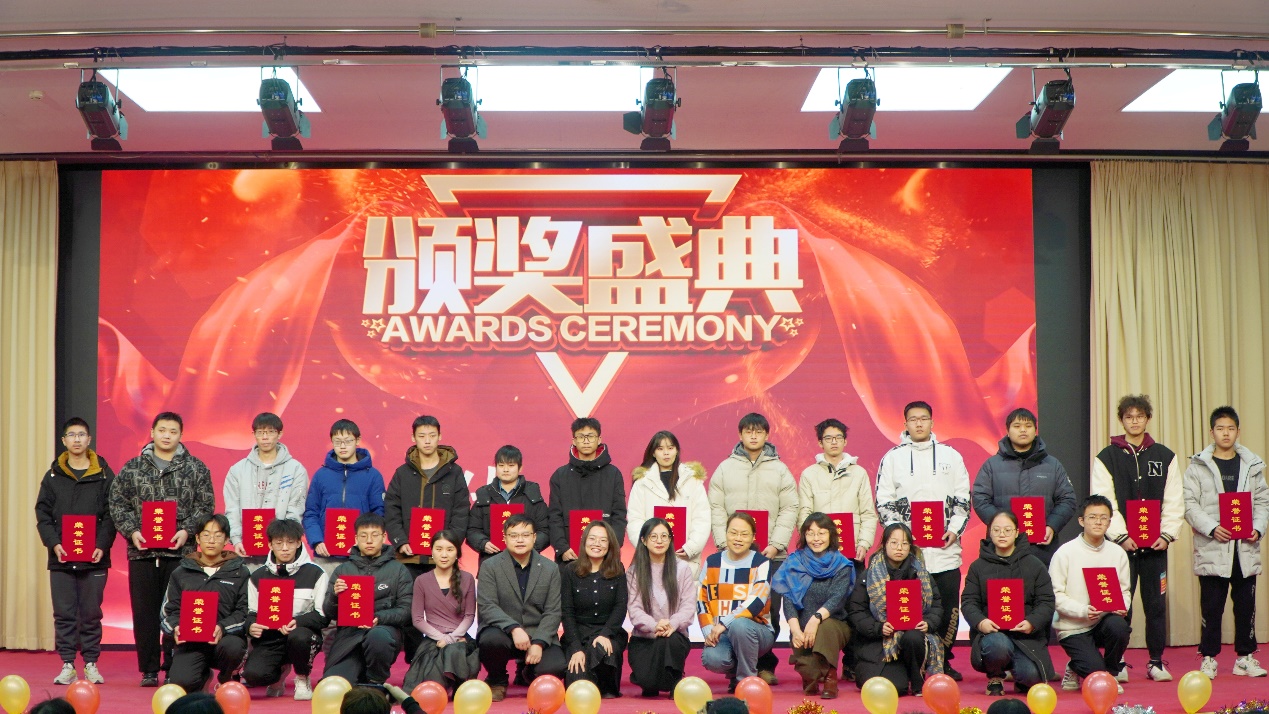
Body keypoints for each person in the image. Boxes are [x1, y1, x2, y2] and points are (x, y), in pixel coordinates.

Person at [108, 411, 216, 687]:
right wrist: (132, 532)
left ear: (181, 435)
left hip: (181, 554)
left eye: (173, 431)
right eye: (162, 430)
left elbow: (205, 506)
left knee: (177, 612)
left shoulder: (195, 468)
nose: (167, 436)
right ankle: (148, 669)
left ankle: (173, 666)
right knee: (144, 613)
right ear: (152, 432)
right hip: (142, 553)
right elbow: (117, 504)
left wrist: (187, 530)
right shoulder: (133, 468)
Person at [1089, 394, 1183, 683]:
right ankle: (1117, 662)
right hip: (1120, 548)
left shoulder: (1165, 456)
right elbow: (1105, 501)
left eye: (1139, 416)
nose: (1134, 421)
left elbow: (1174, 499)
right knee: (1120, 606)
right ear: (1121, 420)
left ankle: (1156, 662)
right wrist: (1120, 535)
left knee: (1156, 605)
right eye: (1129, 417)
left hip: (1156, 547)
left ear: (1147, 419)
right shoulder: (1107, 457)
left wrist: (1167, 534)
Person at [875, 401, 971, 681]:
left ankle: (944, 660)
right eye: (913, 419)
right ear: (904, 424)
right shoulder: (892, 458)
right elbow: (884, 500)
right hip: (908, 553)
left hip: (945, 549)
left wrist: (954, 530)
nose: (919, 423)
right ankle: (912, 661)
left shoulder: (951, 455)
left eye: (924, 418)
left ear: (932, 422)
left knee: (947, 607)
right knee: (910, 608)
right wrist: (901, 536)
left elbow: (963, 497)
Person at [708, 413, 799, 684]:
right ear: (740, 435)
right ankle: (733, 663)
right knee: (732, 606)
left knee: (768, 611)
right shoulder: (725, 468)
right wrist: (724, 544)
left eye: (759, 431)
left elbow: (790, 507)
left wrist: (776, 544)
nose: (754, 436)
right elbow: (716, 507)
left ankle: (765, 666)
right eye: (748, 431)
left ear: (767, 435)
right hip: (733, 555)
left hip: (770, 555)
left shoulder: (780, 469)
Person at [1183, 405, 1268, 679]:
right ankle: (1209, 658)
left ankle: (1245, 658)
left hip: (1245, 549)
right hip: (1213, 548)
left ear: (1238, 432)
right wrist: (1211, 528)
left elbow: (1262, 502)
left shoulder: (1252, 465)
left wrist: (1258, 528)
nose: (1226, 433)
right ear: (1212, 432)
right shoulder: (1198, 466)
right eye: (1220, 428)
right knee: (1211, 608)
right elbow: (1189, 505)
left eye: (1231, 428)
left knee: (1245, 607)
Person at [35, 417, 116, 685]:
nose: (77, 439)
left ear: (89, 439)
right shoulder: (53, 476)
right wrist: (54, 543)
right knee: (64, 614)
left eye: (82, 435)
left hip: (94, 558)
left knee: (91, 614)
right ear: (64, 441)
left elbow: (112, 514)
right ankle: (67, 664)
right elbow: (42, 513)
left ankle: (91, 663)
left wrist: (102, 545)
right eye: (72, 435)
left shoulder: (104, 474)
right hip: (61, 558)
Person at [384, 415, 470, 661]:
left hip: (442, 559)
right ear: (413, 438)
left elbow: (461, 511)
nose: (427, 441)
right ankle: (415, 660)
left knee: (446, 610)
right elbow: (391, 509)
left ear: (440, 436)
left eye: (432, 435)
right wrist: (401, 541)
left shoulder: (454, 473)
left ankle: (444, 659)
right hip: (409, 558)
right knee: (411, 610)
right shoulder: (402, 473)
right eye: (422, 436)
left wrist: (449, 546)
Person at [960, 511, 1056, 696]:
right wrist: (981, 622)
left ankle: (1020, 675)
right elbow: (969, 601)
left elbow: (1046, 601)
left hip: (1026, 637)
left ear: (1017, 532)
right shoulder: (978, 567)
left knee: (1031, 677)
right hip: (993, 634)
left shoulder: (1034, 565)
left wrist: (1032, 622)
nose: (1002, 534)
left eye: (1007, 530)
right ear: (989, 532)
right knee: (998, 645)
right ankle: (995, 676)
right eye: (996, 530)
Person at [476, 513, 568, 702]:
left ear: (534, 537)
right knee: (490, 641)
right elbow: (487, 605)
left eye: (525, 535)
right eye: (514, 535)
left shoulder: (550, 568)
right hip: (503, 633)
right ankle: (497, 680)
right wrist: (514, 628)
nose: (520, 540)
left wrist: (539, 642)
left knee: (555, 668)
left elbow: (553, 611)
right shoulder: (489, 566)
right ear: (504, 538)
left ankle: (529, 672)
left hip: (537, 632)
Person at [847, 523, 944, 697]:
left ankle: (917, 678)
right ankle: (900, 673)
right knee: (893, 689)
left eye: (905, 543)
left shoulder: (921, 573)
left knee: (914, 636)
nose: (899, 548)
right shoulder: (870, 575)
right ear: (884, 544)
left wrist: (928, 623)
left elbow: (936, 605)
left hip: (913, 638)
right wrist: (878, 627)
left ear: (910, 547)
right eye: (894, 543)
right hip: (878, 642)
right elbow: (857, 611)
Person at [972, 408, 1077, 565]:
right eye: (1017, 426)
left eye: (1028, 426)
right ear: (1007, 431)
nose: (1023, 430)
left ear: (1035, 430)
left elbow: (1067, 500)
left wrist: (1051, 526)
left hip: (1042, 547)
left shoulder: (1052, 465)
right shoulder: (991, 465)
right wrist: (1002, 527)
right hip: (1002, 546)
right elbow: (980, 499)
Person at [241, 518, 330, 701]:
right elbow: (251, 613)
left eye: (290, 542)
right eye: (279, 543)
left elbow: (322, 615)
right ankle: (279, 673)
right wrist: (251, 626)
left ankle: (302, 677)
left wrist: (298, 622)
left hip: (302, 635)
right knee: (253, 675)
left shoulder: (316, 573)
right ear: (270, 544)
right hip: (270, 638)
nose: (284, 548)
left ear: (298, 543)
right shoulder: (258, 576)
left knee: (299, 637)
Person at [160, 514, 250, 694]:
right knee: (182, 683)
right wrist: (176, 628)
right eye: (206, 535)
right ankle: (203, 676)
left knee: (233, 647)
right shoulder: (181, 572)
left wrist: (222, 627)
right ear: (198, 538)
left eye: (218, 535)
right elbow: (168, 611)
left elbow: (244, 611)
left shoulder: (240, 572)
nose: (211, 540)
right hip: (191, 642)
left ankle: (226, 678)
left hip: (224, 640)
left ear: (226, 540)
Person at [1050, 495, 1131, 693]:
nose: (1098, 522)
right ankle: (1077, 664)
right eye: (1092, 517)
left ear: (1109, 522)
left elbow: (1124, 590)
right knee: (1093, 668)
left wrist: (1122, 606)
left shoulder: (1117, 553)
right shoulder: (1065, 553)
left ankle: (1110, 674)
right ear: (1081, 521)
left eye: (1103, 518)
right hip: (1073, 626)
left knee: (1119, 627)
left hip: (1103, 622)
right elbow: (1055, 595)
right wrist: (1083, 610)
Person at [322, 514, 414, 686]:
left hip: (384, 631)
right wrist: (335, 596)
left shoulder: (399, 570)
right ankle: (357, 674)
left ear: (384, 537)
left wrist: (379, 618)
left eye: (374, 535)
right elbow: (329, 613)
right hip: (350, 635)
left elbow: (406, 610)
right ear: (356, 539)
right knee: (335, 684)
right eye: (363, 536)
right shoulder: (343, 570)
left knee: (377, 637)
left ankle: (375, 681)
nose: (369, 541)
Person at [773, 512, 855, 699]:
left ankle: (830, 678)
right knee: (809, 673)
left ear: (831, 535)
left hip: (834, 625)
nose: (816, 538)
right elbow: (789, 599)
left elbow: (837, 599)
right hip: (802, 627)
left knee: (826, 628)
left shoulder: (842, 564)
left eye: (821, 533)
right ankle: (812, 671)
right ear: (804, 536)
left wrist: (816, 619)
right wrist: (795, 630)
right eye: (810, 533)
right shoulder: (794, 562)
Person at [699, 512, 775, 693]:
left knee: (740, 625)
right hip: (721, 632)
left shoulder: (761, 563)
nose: (738, 538)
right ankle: (735, 672)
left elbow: (757, 602)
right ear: (725, 534)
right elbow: (702, 599)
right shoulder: (712, 561)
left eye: (744, 534)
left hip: (757, 631)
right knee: (712, 659)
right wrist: (708, 630)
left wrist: (724, 623)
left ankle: (746, 682)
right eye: (733, 533)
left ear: (753, 537)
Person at [223, 412, 308, 568]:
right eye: (260, 432)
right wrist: (236, 540)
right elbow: (232, 509)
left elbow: (296, 509)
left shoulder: (295, 469)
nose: (265, 437)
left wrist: (283, 543)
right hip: (246, 550)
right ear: (254, 434)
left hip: (281, 553)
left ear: (280, 434)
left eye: (270, 432)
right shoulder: (237, 470)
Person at [303, 419, 386, 572]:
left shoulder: (373, 476)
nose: (342, 446)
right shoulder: (321, 475)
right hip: (325, 555)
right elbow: (311, 513)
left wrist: (365, 541)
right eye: (337, 442)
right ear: (331, 442)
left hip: (361, 557)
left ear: (358, 440)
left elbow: (379, 513)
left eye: (348, 441)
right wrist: (316, 541)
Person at [626, 518, 696, 698]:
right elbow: (634, 609)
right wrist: (654, 625)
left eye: (664, 536)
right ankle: (649, 678)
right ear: (643, 540)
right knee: (648, 685)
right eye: (653, 536)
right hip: (645, 638)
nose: (659, 541)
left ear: (670, 540)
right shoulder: (634, 571)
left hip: (674, 636)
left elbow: (688, 606)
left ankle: (675, 680)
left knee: (670, 641)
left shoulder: (682, 569)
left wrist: (672, 624)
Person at [403, 530, 478, 696]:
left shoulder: (467, 578)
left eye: (450, 550)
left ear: (457, 553)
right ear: (431, 552)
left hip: (460, 637)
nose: (444, 555)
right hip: (433, 639)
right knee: (426, 682)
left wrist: (451, 638)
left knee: (454, 650)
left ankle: (459, 686)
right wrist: (440, 638)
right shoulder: (421, 580)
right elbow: (417, 619)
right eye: (439, 549)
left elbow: (469, 616)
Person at [626, 431, 710, 577]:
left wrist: (691, 548)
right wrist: (648, 546)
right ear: (653, 453)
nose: (666, 453)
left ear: (677, 451)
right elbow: (635, 520)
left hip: (685, 558)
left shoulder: (693, 480)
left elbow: (702, 518)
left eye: (670, 448)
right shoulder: (642, 483)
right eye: (660, 449)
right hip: (651, 559)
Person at [562, 520, 629, 699]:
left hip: (608, 633)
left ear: (610, 544)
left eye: (603, 540)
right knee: (577, 686)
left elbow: (620, 606)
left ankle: (605, 685)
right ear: (584, 541)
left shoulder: (618, 569)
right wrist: (576, 648)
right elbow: (567, 612)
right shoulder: (570, 570)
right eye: (592, 539)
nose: (597, 544)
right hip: (579, 633)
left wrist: (606, 634)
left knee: (601, 649)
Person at [548, 417, 627, 563]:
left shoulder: (613, 474)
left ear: (599, 439)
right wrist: (562, 548)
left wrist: (611, 547)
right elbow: (554, 516)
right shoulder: (560, 476)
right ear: (574, 440)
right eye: (581, 436)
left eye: (590, 436)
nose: (586, 441)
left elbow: (619, 515)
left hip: (605, 557)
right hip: (570, 556)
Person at [798, 418, 877, 563]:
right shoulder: (809, 474)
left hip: (853, 550)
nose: (834, 442)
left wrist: (864, 543)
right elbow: (804, 513)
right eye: (828, 438)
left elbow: (868, 513)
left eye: (838, 437)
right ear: (820, 443)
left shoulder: (859, 473)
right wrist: (811, 541)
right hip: (818, 551)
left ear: (845, 441)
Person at [468, 445, 550, 564]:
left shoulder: (533, 495)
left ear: (520, 468)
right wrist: (483, 543)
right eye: (501, 465)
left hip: (527, 562)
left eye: (511, 465)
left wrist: (529, 545)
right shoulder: (484, 495)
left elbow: (545, 530)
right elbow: (472, 530)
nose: (505, 470)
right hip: (491, 561)